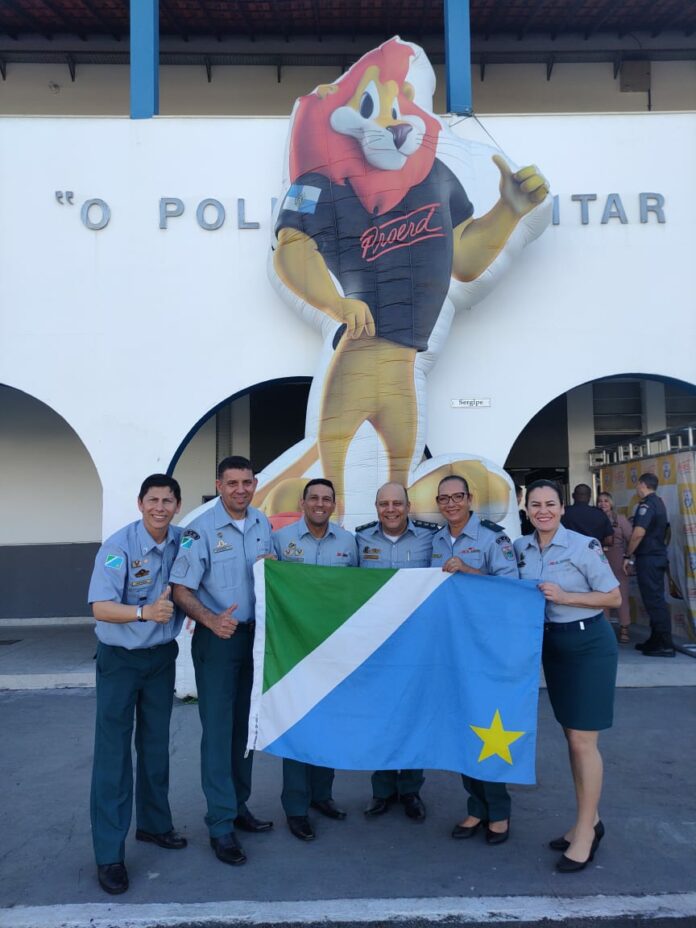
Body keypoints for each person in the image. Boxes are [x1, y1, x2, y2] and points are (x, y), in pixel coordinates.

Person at [171, 456, 274, 867]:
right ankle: (220, 825)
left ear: (255, 484)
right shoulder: (201, 531)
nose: (240, 490)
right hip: (218, 641)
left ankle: (238, 806)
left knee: (244, 731)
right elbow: (180, 588)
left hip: (255, 640)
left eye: (247, 483)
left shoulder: (263, 523)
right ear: (219, 485)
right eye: (232, 483)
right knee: (217, 733)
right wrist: (211, 619)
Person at [88, 474, 187, 896]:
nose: (160, 507)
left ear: (177, 506)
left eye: (167, 500)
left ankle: (154, 825)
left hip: (161, 660)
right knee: (113, 756)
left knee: (154, 746)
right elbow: (100, 607)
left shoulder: (184, 540)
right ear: (140, 503)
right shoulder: (118, 548)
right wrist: (145, 613)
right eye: (153, 500)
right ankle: (109, 854)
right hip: (120, 662)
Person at [514, 479, 620, 873]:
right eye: (536, 504)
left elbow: (612, 597)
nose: (543, 510)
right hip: (552, 646)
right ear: (526, 508)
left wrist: (566, 596)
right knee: (570, 737)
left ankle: (588, 835)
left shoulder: (582, 545)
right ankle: (586, 821)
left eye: (550, 504)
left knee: (582, 741)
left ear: (562, 508)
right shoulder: (521, 548)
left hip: (588, 644)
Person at [431, 475, 518, 845]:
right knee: (462, 729)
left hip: (484, 648)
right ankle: (476, 806)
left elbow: (512, 589)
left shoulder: (492, 538)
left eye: (457, 497)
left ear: (470, 498)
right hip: (449, 648)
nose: (451, 504)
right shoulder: (435, 540)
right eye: (444, 499)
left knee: (488, 729)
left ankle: (498, 811)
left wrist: (468, 572)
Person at [272, 478, 359, 841]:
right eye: (314, 498)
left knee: (329, 725)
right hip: (293, 650)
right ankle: (295, 807)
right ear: (303, 502)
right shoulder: (280, 540)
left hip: (333, 650)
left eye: (327, 499)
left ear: (334, 505)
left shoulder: (348, 542)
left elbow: (356, 592)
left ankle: (322, 795)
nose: (320, 504)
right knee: (296, 727)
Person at [356, 482, 436, 822]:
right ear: (376, 507)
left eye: (397, 503)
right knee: (380, 716)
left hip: (417, 643)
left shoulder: (430, 538)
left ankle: (411, 789)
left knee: (413, 715)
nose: (391, 509)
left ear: (408, 505)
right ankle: (382, 790)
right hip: (376, 645)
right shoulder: (360, 540)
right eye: (384, 503)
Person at [623, 473, 674, 657]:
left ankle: (665, 643)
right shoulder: (658, 502)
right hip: (655, 557)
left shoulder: (647, 504)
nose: (636, 488)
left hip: (650, 558)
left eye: (637, 485)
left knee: (655, 602)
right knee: (655, 600)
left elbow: (638, 533)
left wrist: (627, 555)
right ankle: (656, 639)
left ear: (642, 484)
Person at [597, 491, 633, 644]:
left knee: (621, 594)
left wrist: (628, 558)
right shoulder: (595, 518)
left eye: (606, 501)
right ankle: (606, 629)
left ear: (611, 503)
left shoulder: (620, 519)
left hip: (618, 559)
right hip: (599, 560)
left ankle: (624, 628)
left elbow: (632, 538)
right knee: (602, 594)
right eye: (600, 501)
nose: (603, 504)